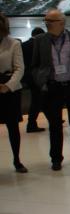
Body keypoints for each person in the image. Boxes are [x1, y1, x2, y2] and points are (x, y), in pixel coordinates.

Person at [32, 8, 70, 171]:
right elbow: (35, 65)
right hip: (52, 87)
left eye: (50, 21)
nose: (46, 23)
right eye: (45, 20)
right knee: (54, 125)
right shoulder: (40, 40)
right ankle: (56, 158)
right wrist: (40, 80)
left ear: (61, 22)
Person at [0, 12, 27, 173]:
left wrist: (8, 86)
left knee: (13, 127)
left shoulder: (14, 44)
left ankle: (17, 160)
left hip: (10, 90)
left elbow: (19, 68)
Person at [21, 27, 46, 133]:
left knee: (39, 99)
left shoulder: (23, 45)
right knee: (38, 100)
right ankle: (31, 124)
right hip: (37, 76)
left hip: (27, 76)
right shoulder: (39, 45)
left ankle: (52, 119)